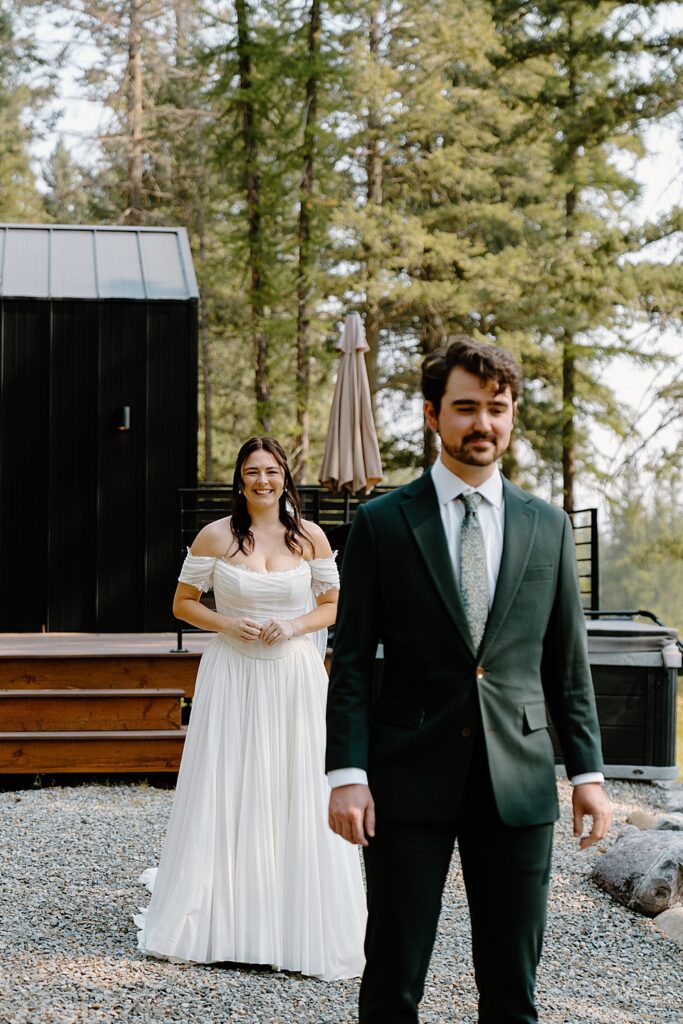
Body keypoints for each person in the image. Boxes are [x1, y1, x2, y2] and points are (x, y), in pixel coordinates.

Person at [326, 337, 612, 1023]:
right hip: (406, 780)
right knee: (392, 980)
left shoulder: (546, 527)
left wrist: (588, 774)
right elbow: (353, 661)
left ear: (511, 417)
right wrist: (346, 774)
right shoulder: (382, 523)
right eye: (464, 408)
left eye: (496, 409)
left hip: (516, 784)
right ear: (431, 414)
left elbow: (565, 663)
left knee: (513, 989)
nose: (481, 424)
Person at [135, 436, 366, 980]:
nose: (263, 480)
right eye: (252, 471)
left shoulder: (310, 537)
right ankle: (221, 916)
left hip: (292, 676)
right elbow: (182, 603)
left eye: (272, 471)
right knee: (229, 782)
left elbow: (335, 605)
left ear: (285, 476)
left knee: (294, 784)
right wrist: (224, 622)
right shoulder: (214, 536)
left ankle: (292, 914)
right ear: (239, 479)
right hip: (232, 674)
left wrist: (290, 625)